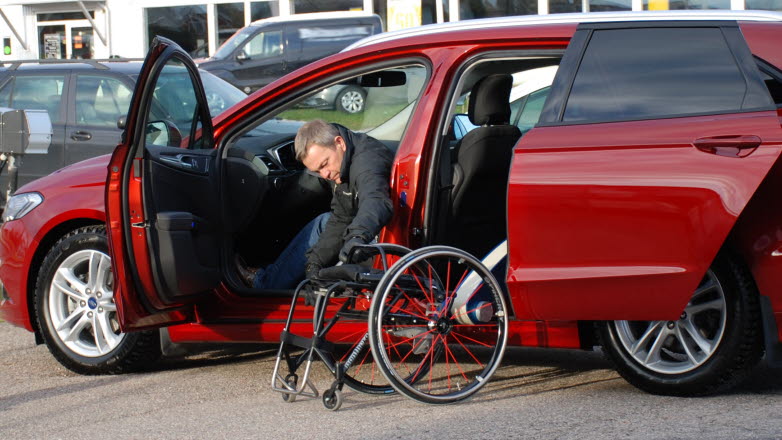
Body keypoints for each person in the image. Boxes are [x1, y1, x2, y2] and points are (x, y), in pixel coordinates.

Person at [238, 119, 394, 289]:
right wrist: (314, 263)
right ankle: (275, 283)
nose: (325, 174)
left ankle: (266, 283)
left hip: (387, 242)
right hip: (374, 232)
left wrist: (357, 237)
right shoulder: (342, 165)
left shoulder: (367, 162)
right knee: (326, 221)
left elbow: (376, 201)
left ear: (339, 143)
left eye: (324, 164)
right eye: (318, 171)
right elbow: (342, 217)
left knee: (323, 224)